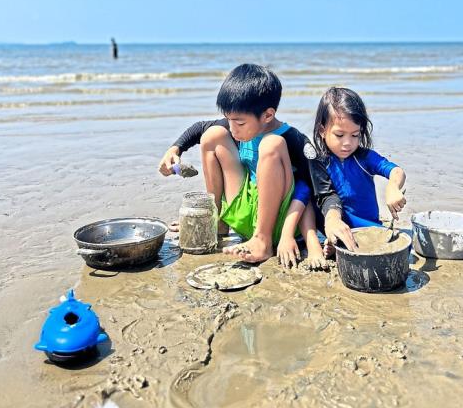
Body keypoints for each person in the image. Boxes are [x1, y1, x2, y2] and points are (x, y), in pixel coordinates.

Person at [158, 63, 331, 265]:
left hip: (279, 221)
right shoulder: (235, 124)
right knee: (212, 135)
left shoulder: (293, 139)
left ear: (268, 115)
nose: (232, 128)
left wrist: (317, 234)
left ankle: (262, 241)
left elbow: (317, 186)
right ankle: (215, 222)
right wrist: (175, 149)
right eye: (228, 119)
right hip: (245, 211)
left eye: (239, 123)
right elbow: (199, 128)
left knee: (271, 144)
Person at [311, 87, 406, 252]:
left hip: (368, 228)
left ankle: (340, 245)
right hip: (332, 225)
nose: (348, 143)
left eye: (355, 135)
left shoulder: (365, 158)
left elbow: (396, 171)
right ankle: (334, 241)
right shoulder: (318, 163)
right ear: (322, 131)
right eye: (340, 135)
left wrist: (392, 187)